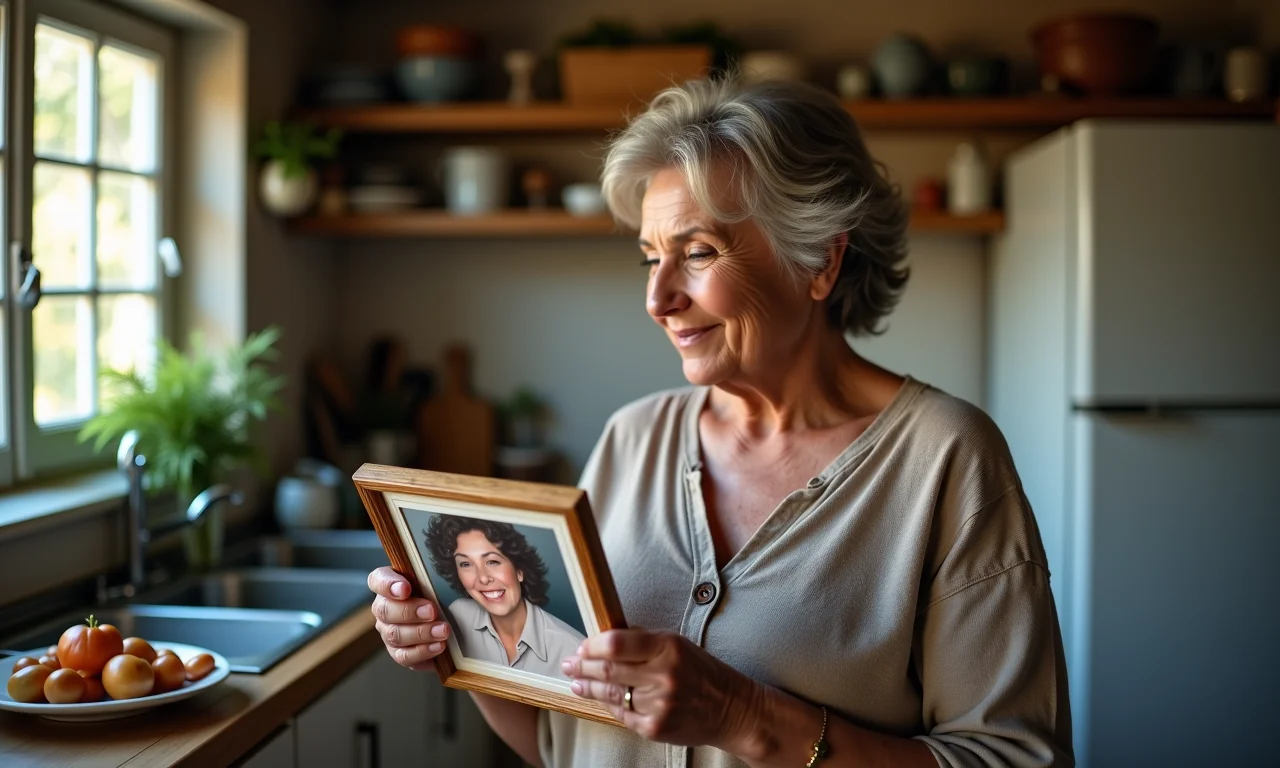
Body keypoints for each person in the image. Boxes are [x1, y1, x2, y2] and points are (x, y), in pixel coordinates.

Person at [368, 77, 1073, 768]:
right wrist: (462, 646)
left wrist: (747, 718)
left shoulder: (947, 458)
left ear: (821, 260)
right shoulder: (631, 440)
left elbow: (1011, 758)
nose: (658, 297)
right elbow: (567, 745)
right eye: (650, 257)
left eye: (698, 252)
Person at [421, 514, 585, 678]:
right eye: (466, 564)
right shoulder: (458, 616)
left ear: (520, 571)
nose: (483, 578)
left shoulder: (573, 650)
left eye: (493, 561)